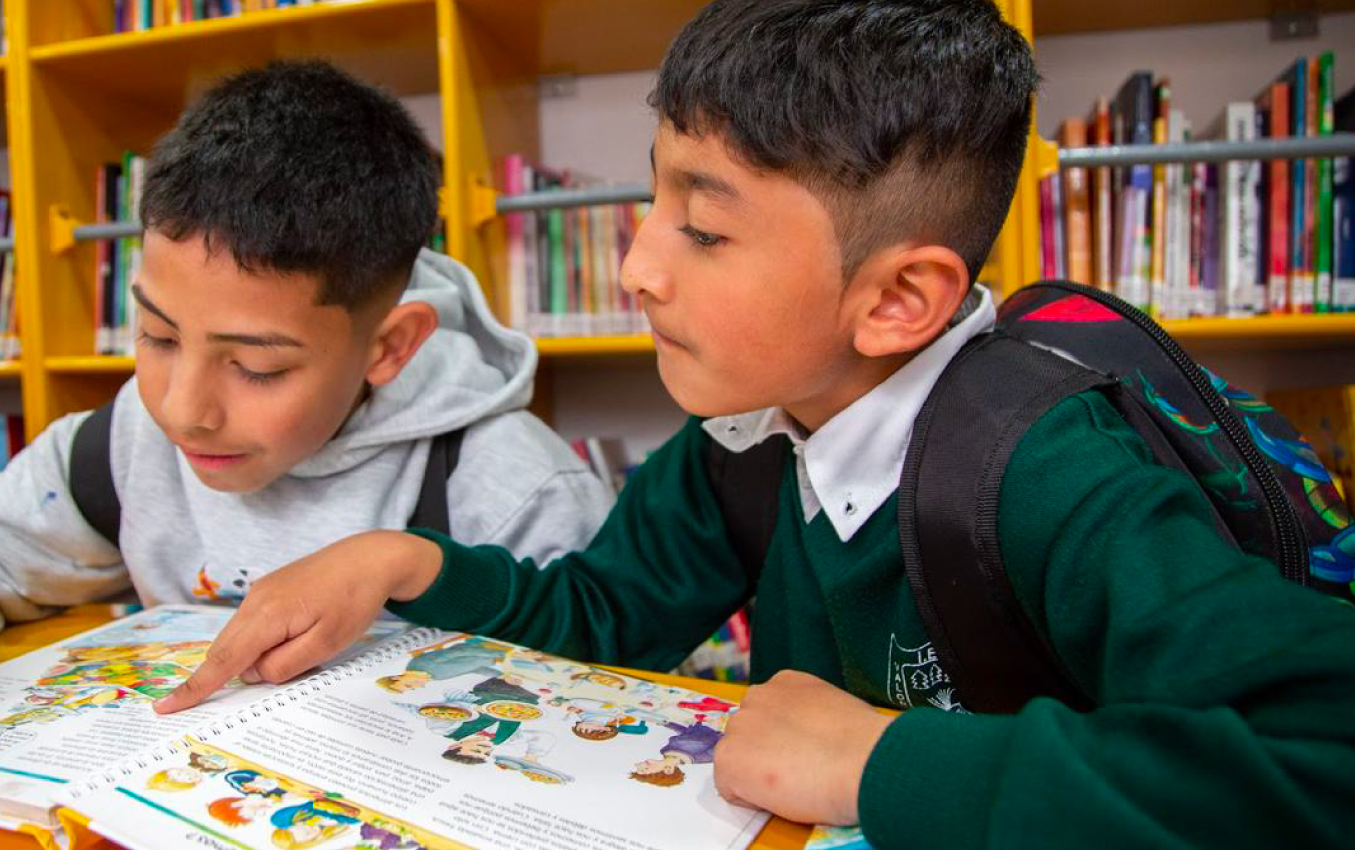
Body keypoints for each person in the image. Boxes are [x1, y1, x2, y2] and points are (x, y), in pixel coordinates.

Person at [153, 3, 1355, 846]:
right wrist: (404, 560)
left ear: (895, 300)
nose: (635, 268)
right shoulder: (743, 441)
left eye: (705, 230)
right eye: (652, 202)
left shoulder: (1048, 471)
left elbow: (1322, 761)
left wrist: (880, 763)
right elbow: (605, 618)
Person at [0, 60, 613, 736]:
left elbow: (614, 700)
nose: (184, 409)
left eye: (256, 366)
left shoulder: (512, 488)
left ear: (389, 347)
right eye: (156, 335)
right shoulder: (122, 444)